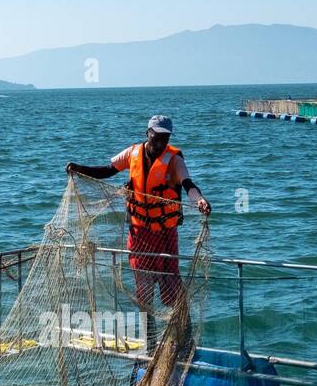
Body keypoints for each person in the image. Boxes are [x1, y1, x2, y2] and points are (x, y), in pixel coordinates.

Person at [65, 115, 211, 350]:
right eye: (157, 136)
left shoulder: (174, 160)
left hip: (164, 235)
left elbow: (188, 185)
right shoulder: (131, 154)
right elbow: (106, 171)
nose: (160, 142)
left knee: (171, 291)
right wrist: (79, 169)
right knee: (143, 291)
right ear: (148, 133)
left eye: (165, 138)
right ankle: (151, 344)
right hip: (139, 233)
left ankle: (185, 340)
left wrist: (200, 200)